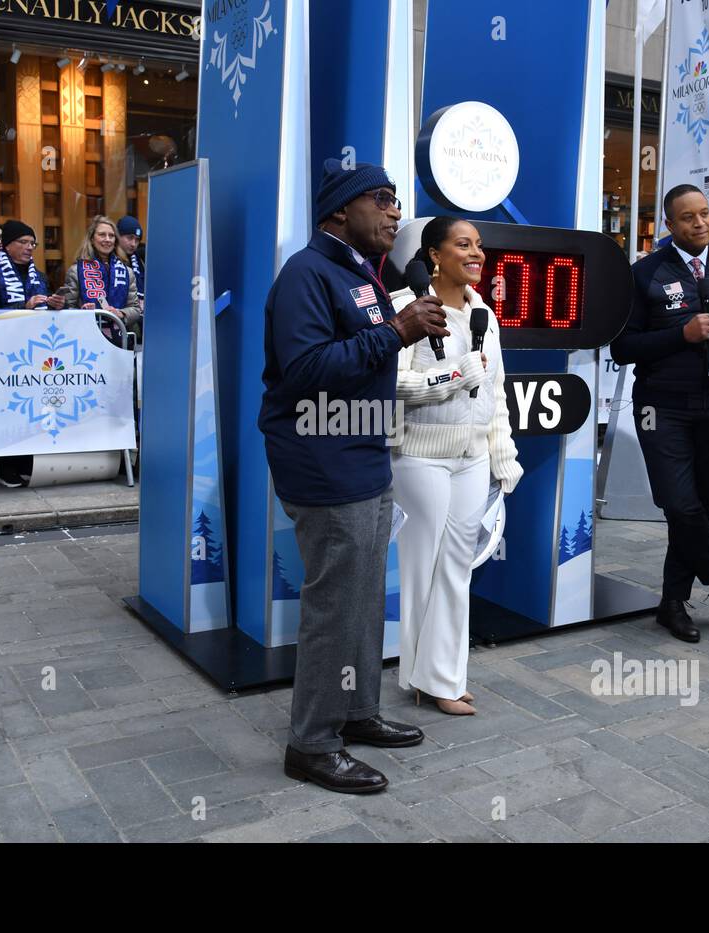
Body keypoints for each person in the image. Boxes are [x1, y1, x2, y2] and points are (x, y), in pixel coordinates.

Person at [259, 158, 447, 794]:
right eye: (382, 200)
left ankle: (357, 710)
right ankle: (311, 744)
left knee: (364, 596)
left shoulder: (364, 274)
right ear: (340, 209)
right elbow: (307, 370)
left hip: (364, 453)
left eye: (397, 202)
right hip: (321, 457)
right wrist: (398, 330)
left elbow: (364, 360)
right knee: (335, 603)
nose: (396, 212)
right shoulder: (306, 274)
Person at [388, 217, 521, 716]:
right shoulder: (406, 308)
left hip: (472, 459)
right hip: (420, 456)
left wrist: (502, 457)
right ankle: (425, 678)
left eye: (479, 246)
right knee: (423, 568)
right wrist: (453, 374)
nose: (476, 254)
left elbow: (496, 394)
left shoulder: (484, 313)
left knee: (457, 569)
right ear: (434, 255)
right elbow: (396, 384)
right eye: (463, 245)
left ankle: (442, 676)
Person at [610, 185, 709, 644]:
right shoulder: (644, 274)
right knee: (678, 502)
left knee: (698, 509)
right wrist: (681, 335)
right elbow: (623, 346)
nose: (700, 223)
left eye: (706, 214)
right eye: (688, 217)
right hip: (663, 408)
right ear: (669, 224)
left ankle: (673, 602)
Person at [0, 220, 63, 487]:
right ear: (8, 245)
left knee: (31, 410)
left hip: (33, 355)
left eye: (32, 243)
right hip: (1, 355)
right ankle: (4, 468)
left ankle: (26, 462)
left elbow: (45, 311)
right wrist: (22, 305)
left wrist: (56, 304)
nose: (29, 248)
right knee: (5, 411)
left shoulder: (40, 276)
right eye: (23, 243)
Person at [60, 215, 141, 343]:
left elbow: (135, 309)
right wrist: (82, 313)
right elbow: (66, 309)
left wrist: (120, 314)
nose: (107, 239)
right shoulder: (76, 270)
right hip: (86, 341)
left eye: (111, 235)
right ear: (92, 239)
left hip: (120, 341)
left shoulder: (127, 272)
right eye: (102, 235)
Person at [116, 215, 146, 303]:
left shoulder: (140, 258)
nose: (133, 244)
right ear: (118, 236)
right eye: (130, 238)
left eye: (137, 240)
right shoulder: (109, 259)